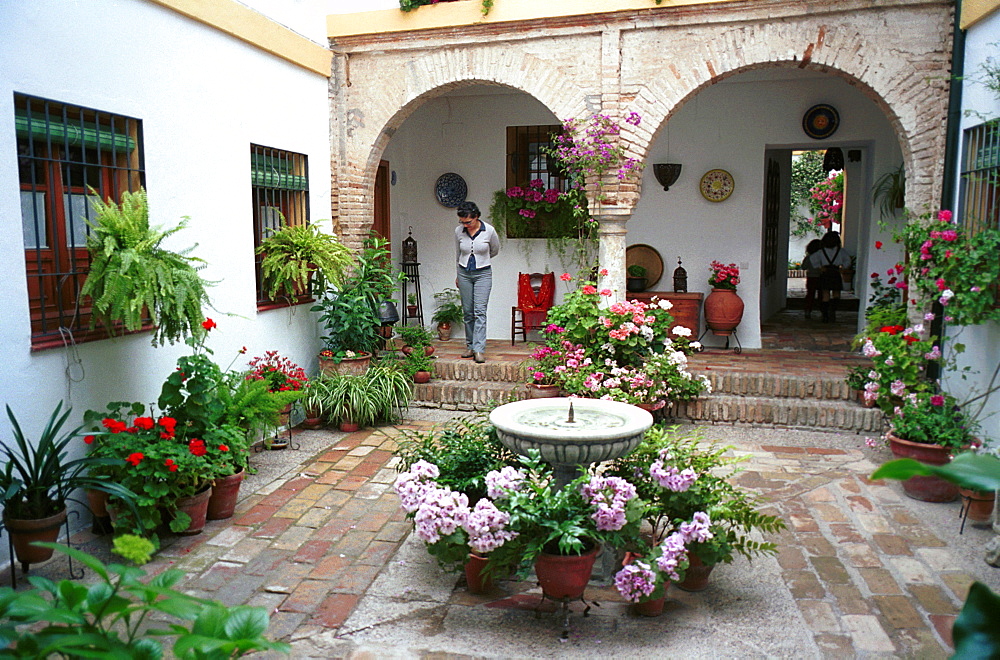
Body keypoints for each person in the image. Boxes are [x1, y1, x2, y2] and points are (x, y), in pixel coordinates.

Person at [454, 201, 500, 363]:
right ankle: (470, 346)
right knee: (468, 311)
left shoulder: (489, 231)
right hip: (464, 273)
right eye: (462, 222)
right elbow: (458, 253)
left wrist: (482, 259)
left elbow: (494, 249)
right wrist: (458, 275)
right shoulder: (459, 231)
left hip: (483, 274)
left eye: (468, 222)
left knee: (479, 311)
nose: (465, 225)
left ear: (477, 217)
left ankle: (479, 349)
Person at [805, 230, 852, 323]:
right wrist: (843, 267)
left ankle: (825, 315)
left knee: (825, 294)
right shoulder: (841, 251)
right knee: (836, 294)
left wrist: (819, 267)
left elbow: (812, 258)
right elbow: (848, 260)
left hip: (825, 272)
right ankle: (833, 311)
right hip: (835, 272)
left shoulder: (821, 252)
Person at [802, 239, 823, 319]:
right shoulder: (822, 257)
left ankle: (808, 310)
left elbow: (804, 267)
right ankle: (822, 310)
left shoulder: (809, 257)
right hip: (821, 277)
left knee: (810, 294)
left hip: (811, 277)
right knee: (821, 294)